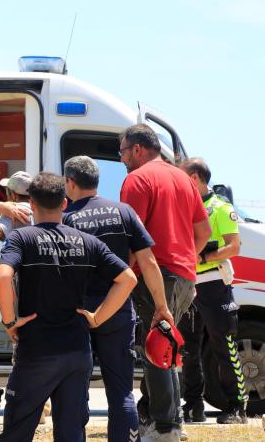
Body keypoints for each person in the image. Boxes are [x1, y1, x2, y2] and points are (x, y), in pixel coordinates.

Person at [0, 172, 137, 442]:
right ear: (63, 204)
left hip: (36, 350)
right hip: (76, 351)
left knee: (17, 430)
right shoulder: (89, 242)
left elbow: (2, 277)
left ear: (32, 206)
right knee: (71, 432)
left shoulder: (21, 238)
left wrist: (9, 321)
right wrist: (97, 318)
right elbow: (128, 278)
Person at [63, 156, 174, 441]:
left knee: (75, 389)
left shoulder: (66, 219)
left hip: (78, 313)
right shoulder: (124, 212)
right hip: (119, 309)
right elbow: (148, 263)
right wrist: (162, 307)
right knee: (122, 391)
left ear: (70, 183)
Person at [119, 124, 211, 441]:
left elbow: (132, 238)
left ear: (138, 149)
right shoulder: (184, 179)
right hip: (185, 276)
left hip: (156, 274)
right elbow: (204, 233)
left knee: (155, 350)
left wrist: (120, 278)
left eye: (122, 152)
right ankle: (174, 422)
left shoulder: (137, 180)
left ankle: (164, 427)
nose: (122, 159)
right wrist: (186, 259)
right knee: (166, 349)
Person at [178, 158, 248, 424]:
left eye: (183, 177)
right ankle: (193, 404)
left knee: (223, 344)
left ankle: (236, 407)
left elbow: (234, 247)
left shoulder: (220, 207)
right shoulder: (182, 206)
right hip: (188, 284)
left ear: (194, 178)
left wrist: (203, 258)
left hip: (214, 283)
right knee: (187, 348)